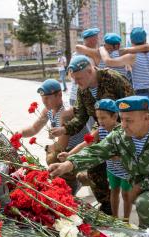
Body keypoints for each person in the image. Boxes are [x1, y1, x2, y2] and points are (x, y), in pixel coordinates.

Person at [49, 95, 149, 232]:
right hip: (141, 187)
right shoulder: (121, 136)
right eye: (122, 119)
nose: (123, 125)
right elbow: (96, 151)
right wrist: (68, 164)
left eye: (129, 120)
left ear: (146, 118)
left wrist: (140, 186)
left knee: (145, 205)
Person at [50, 55, 134, 215]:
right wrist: (64, 130)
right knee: (95, 168)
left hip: (124, 128)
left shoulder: (114, 79)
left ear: (90, 71)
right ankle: (107, 205)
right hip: (101, 128)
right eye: (74, 79)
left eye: (79, 78)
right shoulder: (83, 91)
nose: (76, 83)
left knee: (128, 171)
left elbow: (132, 105)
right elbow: (81, 117)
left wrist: (128, 133)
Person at [58, 99, 133, 221]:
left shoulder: (122, 131)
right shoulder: (100, 130)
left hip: (125, 170)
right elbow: (85, 143)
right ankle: (114, 218)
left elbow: (130, 151)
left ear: (114, 116)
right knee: (113, 192)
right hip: (112, 170)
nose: (100, 121)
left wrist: (118, 156)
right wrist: (69, 154)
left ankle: (126, 219)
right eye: (98, 118)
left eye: (103, 118)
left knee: (126, 194)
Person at [19, 79, 89, 194]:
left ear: (59, 95)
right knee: (53, 156)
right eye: (43, 98)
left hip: (81, 148)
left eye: (47, 98)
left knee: (52, 157)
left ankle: (75, 182)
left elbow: (61, 144)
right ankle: (72, 179)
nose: (44, 101)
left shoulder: (65, 113)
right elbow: (34, 128)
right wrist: (19, 133)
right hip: (68, 148)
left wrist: (47, 148)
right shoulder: (48, 110)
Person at [99, 27, 149, 118]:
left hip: (141, 96)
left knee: (141, 129)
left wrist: (102, 49)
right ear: (145, 39)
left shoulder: (132, 56)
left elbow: (108, 61)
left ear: (132, 41)